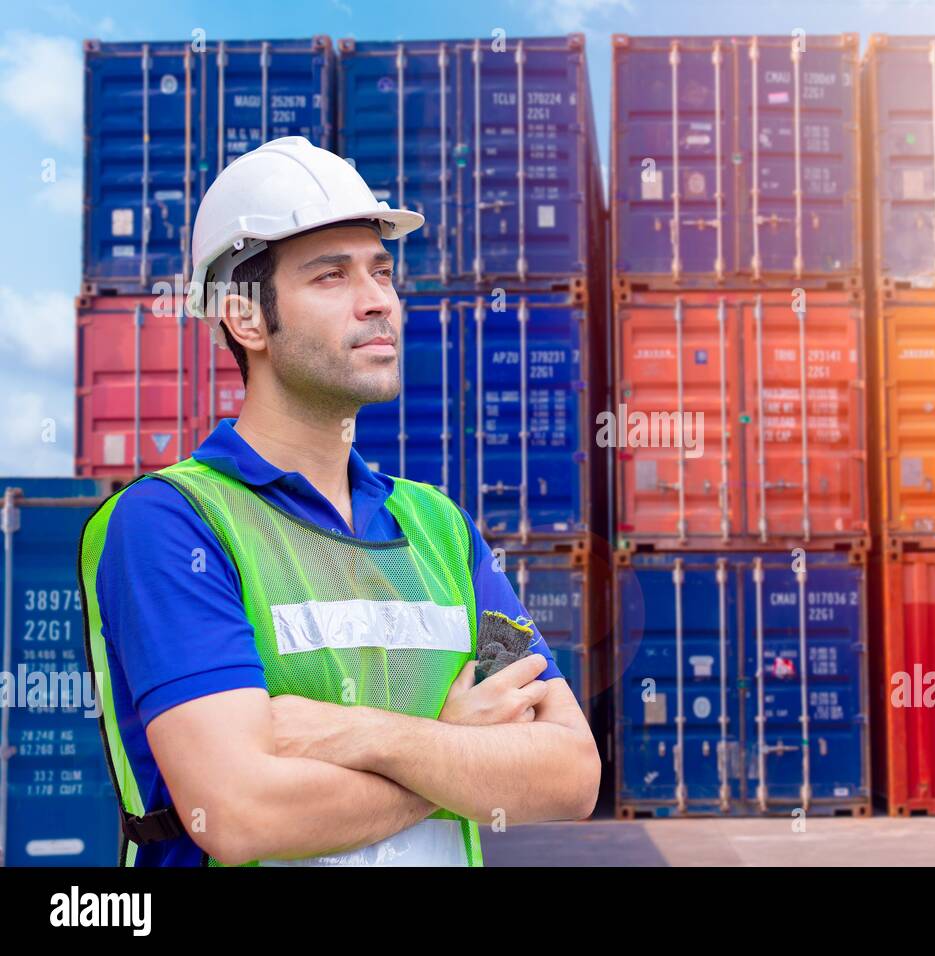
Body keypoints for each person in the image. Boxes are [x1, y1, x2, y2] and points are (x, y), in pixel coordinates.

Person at [77, 136, 600, 867]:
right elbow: (240, 814)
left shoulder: (439, 529)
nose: (378, 300)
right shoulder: (171, 524)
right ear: (246, 318)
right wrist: (459, 752)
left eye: (383, 272)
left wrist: (363, 735)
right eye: (331, 277)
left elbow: (571, 774)